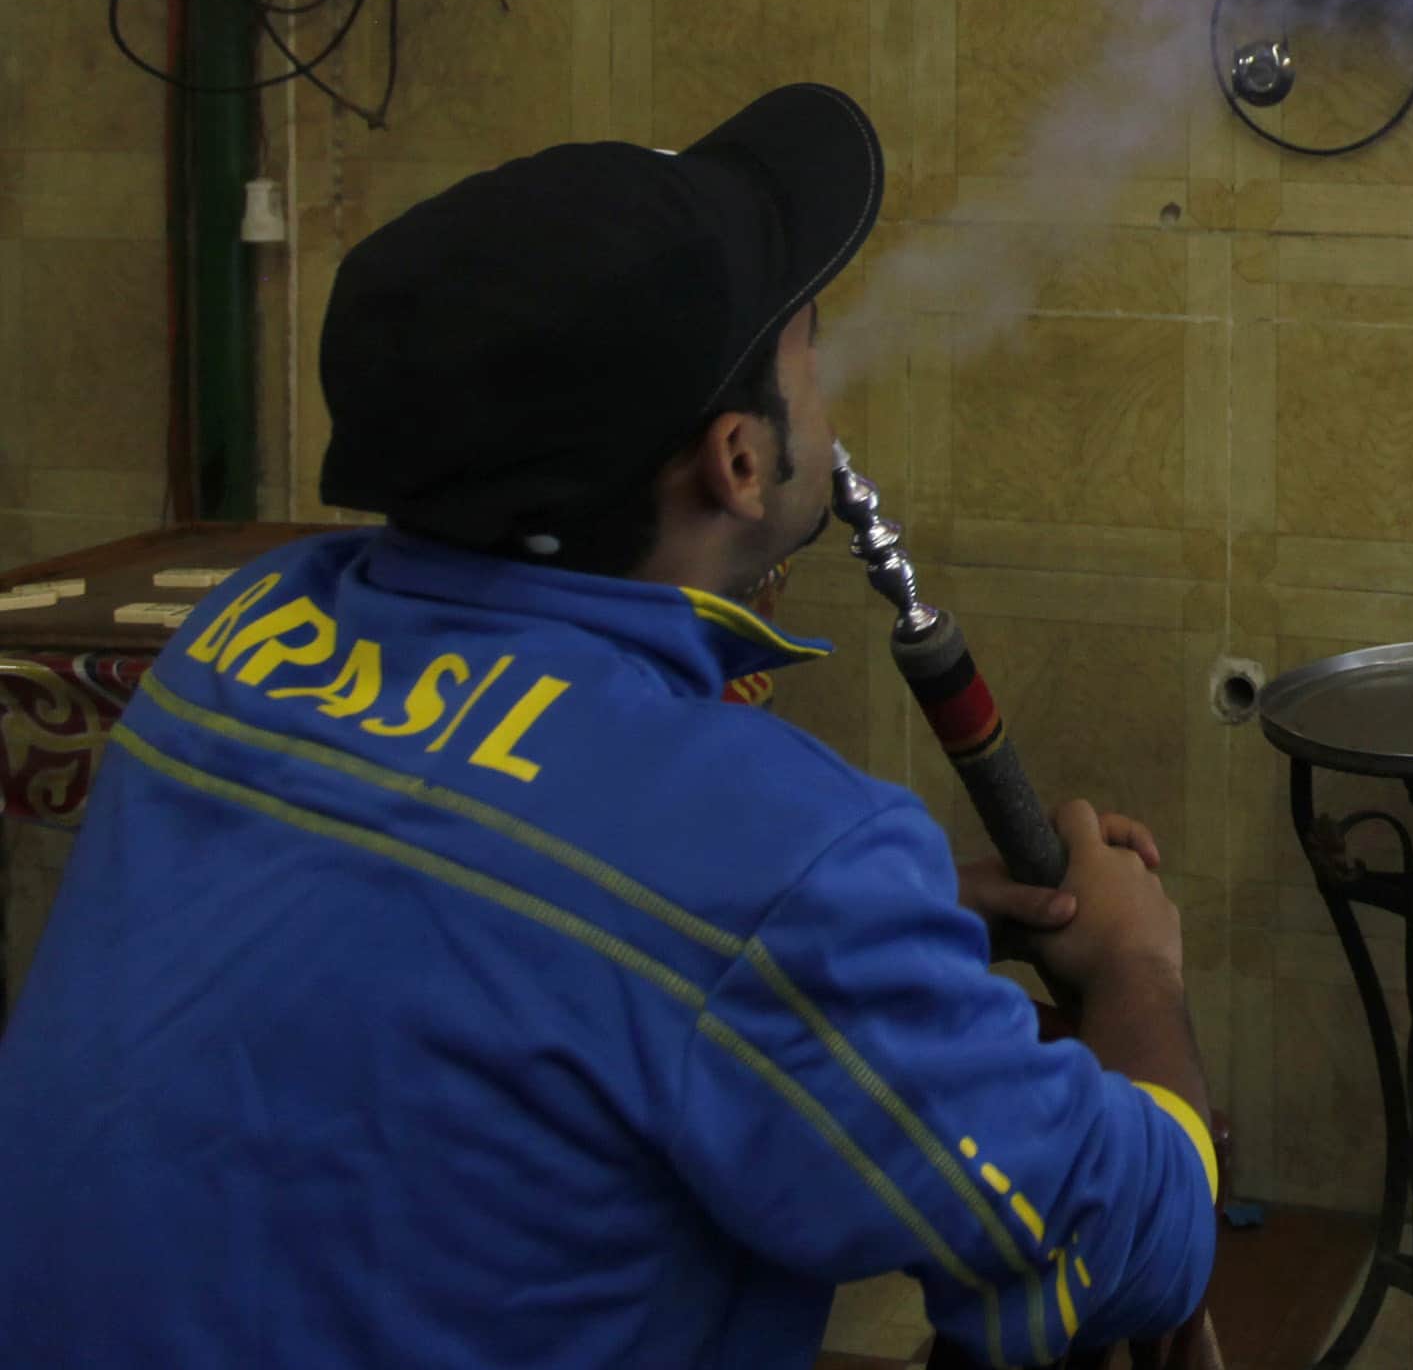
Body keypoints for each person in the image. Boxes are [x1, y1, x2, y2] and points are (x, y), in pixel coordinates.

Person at [0, 86, 1220, 1369]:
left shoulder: (243, 634)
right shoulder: (774, 862)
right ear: (737, 460)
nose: (828, 376)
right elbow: (1133, 1232)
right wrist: (1135, 962)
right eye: (807, 340)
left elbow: (474, 890)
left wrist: (891, 926)